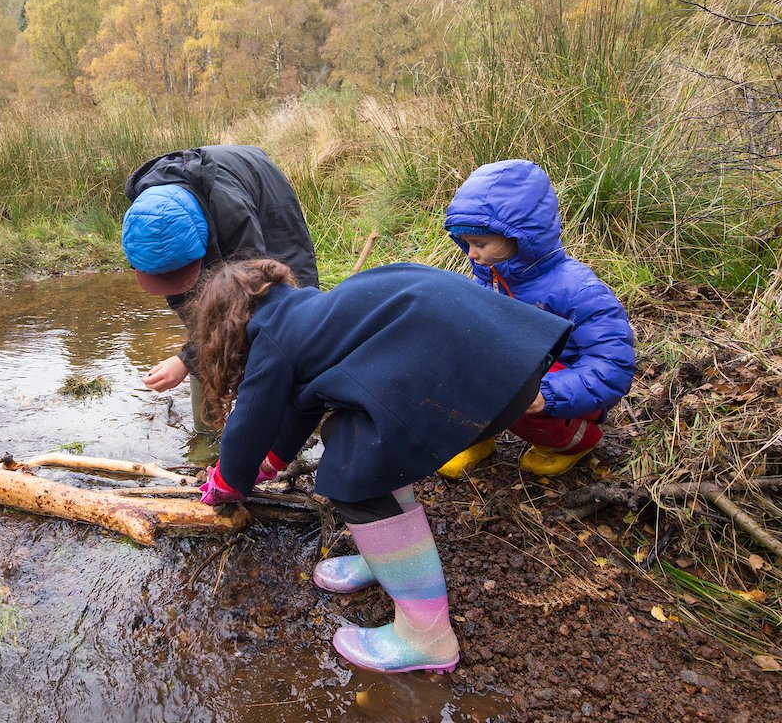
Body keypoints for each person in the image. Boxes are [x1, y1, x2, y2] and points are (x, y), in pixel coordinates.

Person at [191, 259, 572, 674]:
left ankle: (426, 637)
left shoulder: (273, 337)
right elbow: (304, 406)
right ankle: (384, 557)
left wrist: (229, 481)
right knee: (348, 435)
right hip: (510, 364)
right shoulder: (312, 316)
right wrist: (275, 461)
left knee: (354, 473)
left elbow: (248, 424)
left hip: (475, 380)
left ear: (225, 327)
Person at [437, 159, 635, 478]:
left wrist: (552, 393)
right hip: (517, 375)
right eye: (467, 245)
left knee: (512, 377)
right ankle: (476, 437)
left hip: (561, 389)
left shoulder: (576, 289)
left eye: (481, 244)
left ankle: (573, 442)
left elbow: (613, 363)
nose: (471, 254)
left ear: (517, 236)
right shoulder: (491, 279)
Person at [121, 145, 318, 434]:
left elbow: (250, 298)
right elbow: (185, 300)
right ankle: (209, 431)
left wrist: (185, 361)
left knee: (286, 311)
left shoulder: (234, 218)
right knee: (209, 327)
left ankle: (293, 420)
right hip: (200, 210)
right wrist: (195, 354)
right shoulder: (143, 221)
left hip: (261, 188)